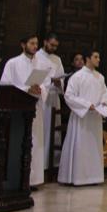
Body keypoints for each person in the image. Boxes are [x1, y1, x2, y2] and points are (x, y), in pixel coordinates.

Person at [57, 49, 107, 186]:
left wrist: (103, 103)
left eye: (99, 57)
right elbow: (69, 96)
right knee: (80, 146)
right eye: (96, 57)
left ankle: (94, 177)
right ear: (88, 58)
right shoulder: (77, 77)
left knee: (94, 147)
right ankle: (78, 177)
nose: (99, 60)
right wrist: (87, 105)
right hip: (82, 118)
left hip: (95, 118)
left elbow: (105, 94)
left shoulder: (100, 77)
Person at [0, 34, 46, 187]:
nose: (35, 46)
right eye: (32, 43)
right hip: (19, 110)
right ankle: (19, 180)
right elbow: (6, 85)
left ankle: (34, 180)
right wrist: (27, 89)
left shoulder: (40, 64)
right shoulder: (13, 63)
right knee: (20, 143)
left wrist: (40, 89)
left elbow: (46, 83)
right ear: (23, 45)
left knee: (36, 143)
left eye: (36, 44)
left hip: (36, 108)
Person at [36, 33, 64, 170]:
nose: (53, 48)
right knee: (41, 131)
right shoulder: (36, 57)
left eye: (56, 46)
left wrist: (59, 83)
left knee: (53, 133)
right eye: (51, 45)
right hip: (41, 98)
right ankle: (40, 165)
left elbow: (61, 78)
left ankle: (52, 164)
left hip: (53, 98)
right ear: (45, 41)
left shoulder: (57, 59)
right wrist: (49, 81)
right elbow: (34, 79)